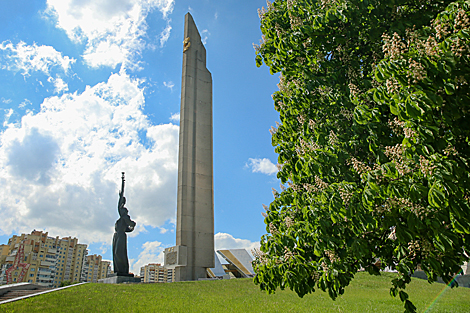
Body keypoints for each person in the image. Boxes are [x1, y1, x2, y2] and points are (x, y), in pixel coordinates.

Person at [112, 195, 136, 275]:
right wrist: (121, 197)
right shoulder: (121, 219)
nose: (121, 210)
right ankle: (117, 270)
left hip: (121, 235)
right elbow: (119, 207)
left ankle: (123, 270)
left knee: (119, 253)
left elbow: (130, 225)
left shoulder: (125, 217)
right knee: (115, 253)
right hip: (116, 236)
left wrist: (133, 226)